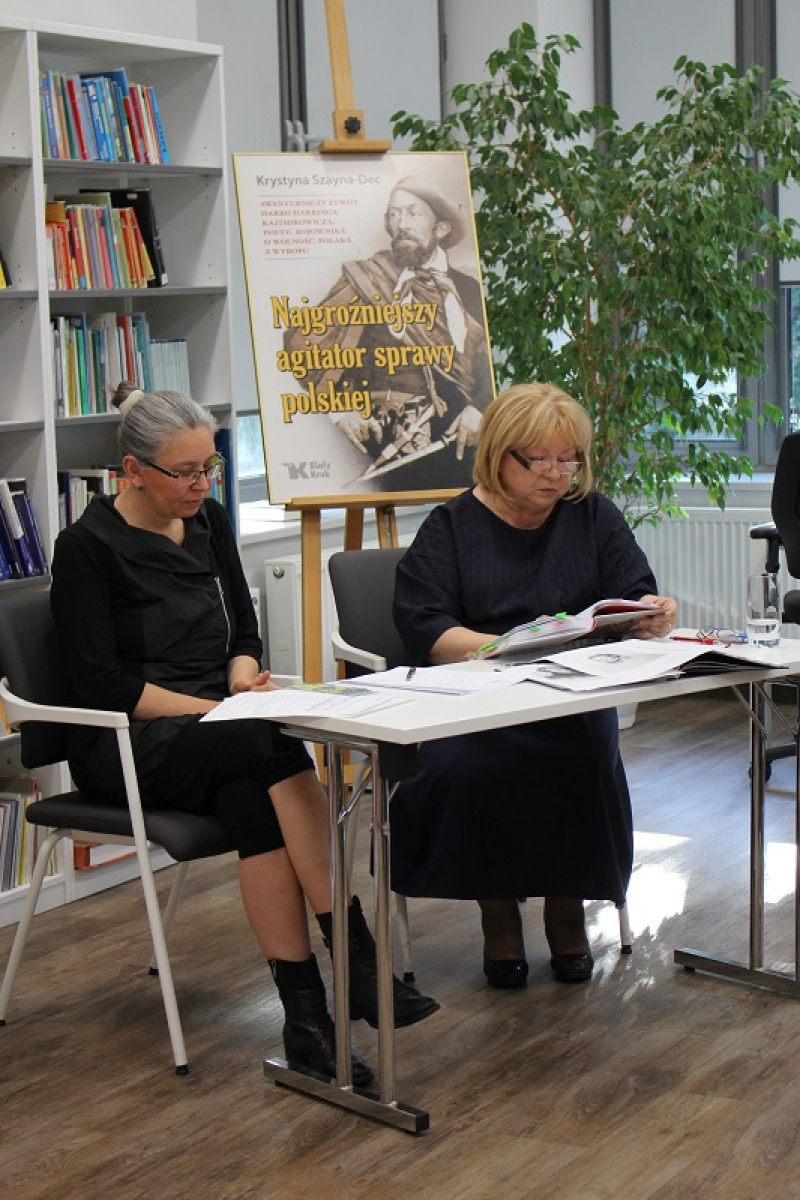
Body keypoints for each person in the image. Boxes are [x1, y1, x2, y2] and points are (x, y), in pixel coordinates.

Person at [50, 384, 438, 1084]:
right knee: (268, 741)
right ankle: (359, 962)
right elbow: (102, 686)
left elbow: (246, 634)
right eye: (185, 472)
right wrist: (212, 710)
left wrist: (239, 679)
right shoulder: (86, 548)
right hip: (129, 743)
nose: (202, 484)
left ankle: (307, 1024)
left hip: (215, 731)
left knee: (253, 799)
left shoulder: (208, 520)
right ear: (132, 471)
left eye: (210, 467)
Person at [390, 382, 678, 987]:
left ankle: (566, 911)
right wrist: (503, 649)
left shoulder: (592, 516)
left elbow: (632, 594)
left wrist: (652, 613)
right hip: (477, 698)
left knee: (584, 756)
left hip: (570, 695)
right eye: (539, 459)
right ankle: (498, 916)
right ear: (499, 454)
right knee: (466, 768)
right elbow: (427, 627)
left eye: (568, 459)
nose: (556, 474)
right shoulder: (450, 526)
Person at [283, 174, 494, 488]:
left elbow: (486, 365)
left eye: (413, 213)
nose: (401, 224)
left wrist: (480, 410)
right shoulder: (367, 279)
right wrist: (340, 412)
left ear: (441, 227)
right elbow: (301, 344)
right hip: (384, 451)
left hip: (459, 450)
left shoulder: (468, 289)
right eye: (394, 214)